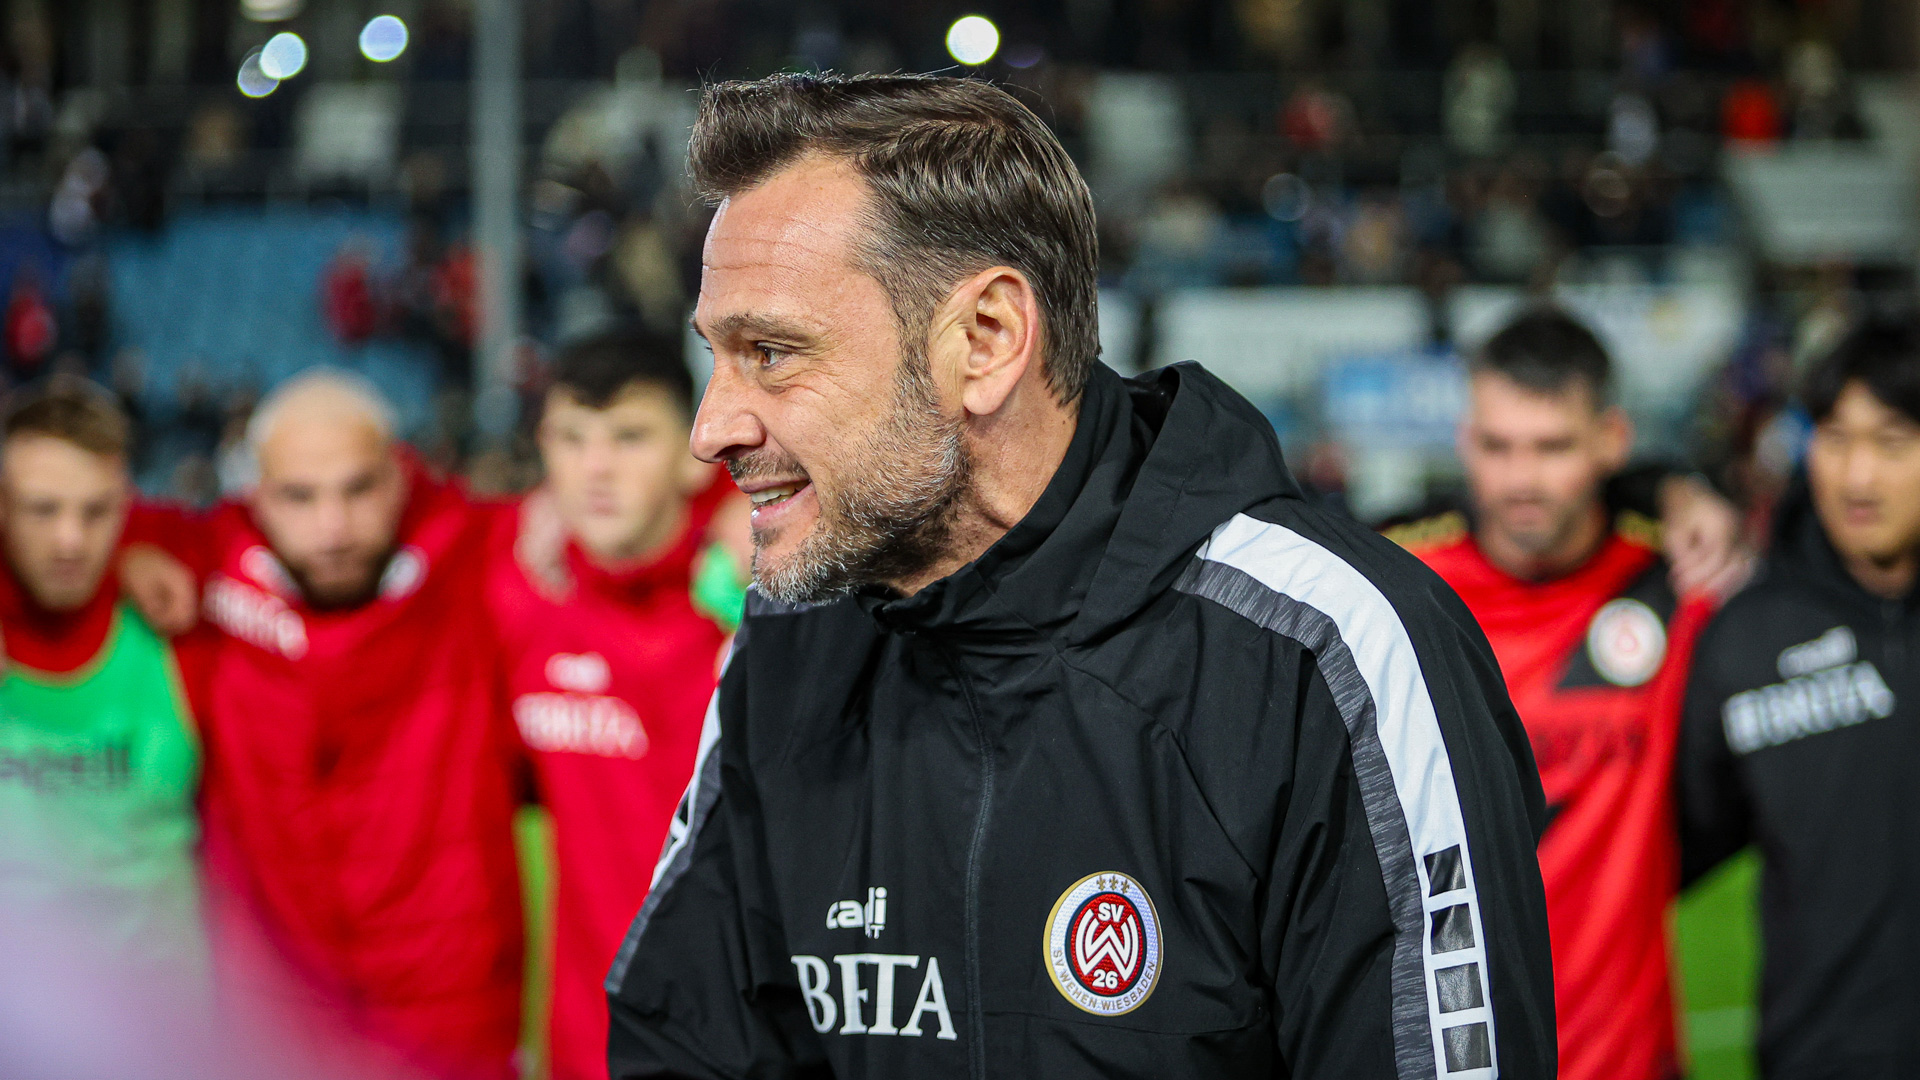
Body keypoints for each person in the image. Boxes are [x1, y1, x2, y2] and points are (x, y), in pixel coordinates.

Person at [605, 72, 1556, 1079]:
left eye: (771, 352)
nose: (712, 429)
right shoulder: (790, 643)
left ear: (986, 340)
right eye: (716, 355)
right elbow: (685, 1048)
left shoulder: (1328, 654)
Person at [125, 370, 524, 1080]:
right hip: (273, 1026)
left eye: (358, 489)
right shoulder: (204, 562)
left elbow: (637, 524)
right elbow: (48, 529)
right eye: (300, 497)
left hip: (453, 1017)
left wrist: (722, 513)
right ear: (255, 494)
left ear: (400, 475)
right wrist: (127, 556)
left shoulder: (477, 548)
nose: (332, 528)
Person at [1391, 309, 1720, 1080]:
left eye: (1553, 447)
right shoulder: (1399, 588)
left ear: (1613, 439)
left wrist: (1686, 492)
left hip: (1626, 1059)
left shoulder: (1679, 580)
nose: (1522, 480)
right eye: (1497, 446)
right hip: (1452, 1057)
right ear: (1465, 439)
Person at [487, 329, 745, 1080]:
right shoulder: (511, 589)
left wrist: (744, 509)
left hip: (744, 1046)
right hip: (587, 1047)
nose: (595, 469)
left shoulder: (766, 592)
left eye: (631, 437)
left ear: (695, 451)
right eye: (571, 439)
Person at [1680, 319, 1920, 1078]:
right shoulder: (1746, 637)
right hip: (1817, 1059)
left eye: (1892, 442)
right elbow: (1668, 842)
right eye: (1835, 438)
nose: (1857, 478)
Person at [0, 377, 206, 983]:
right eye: (43, 509)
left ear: (127, 506)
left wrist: (140, 550)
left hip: (165, 1023)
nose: (70, 540)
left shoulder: (178, 617)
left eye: (95, 511)